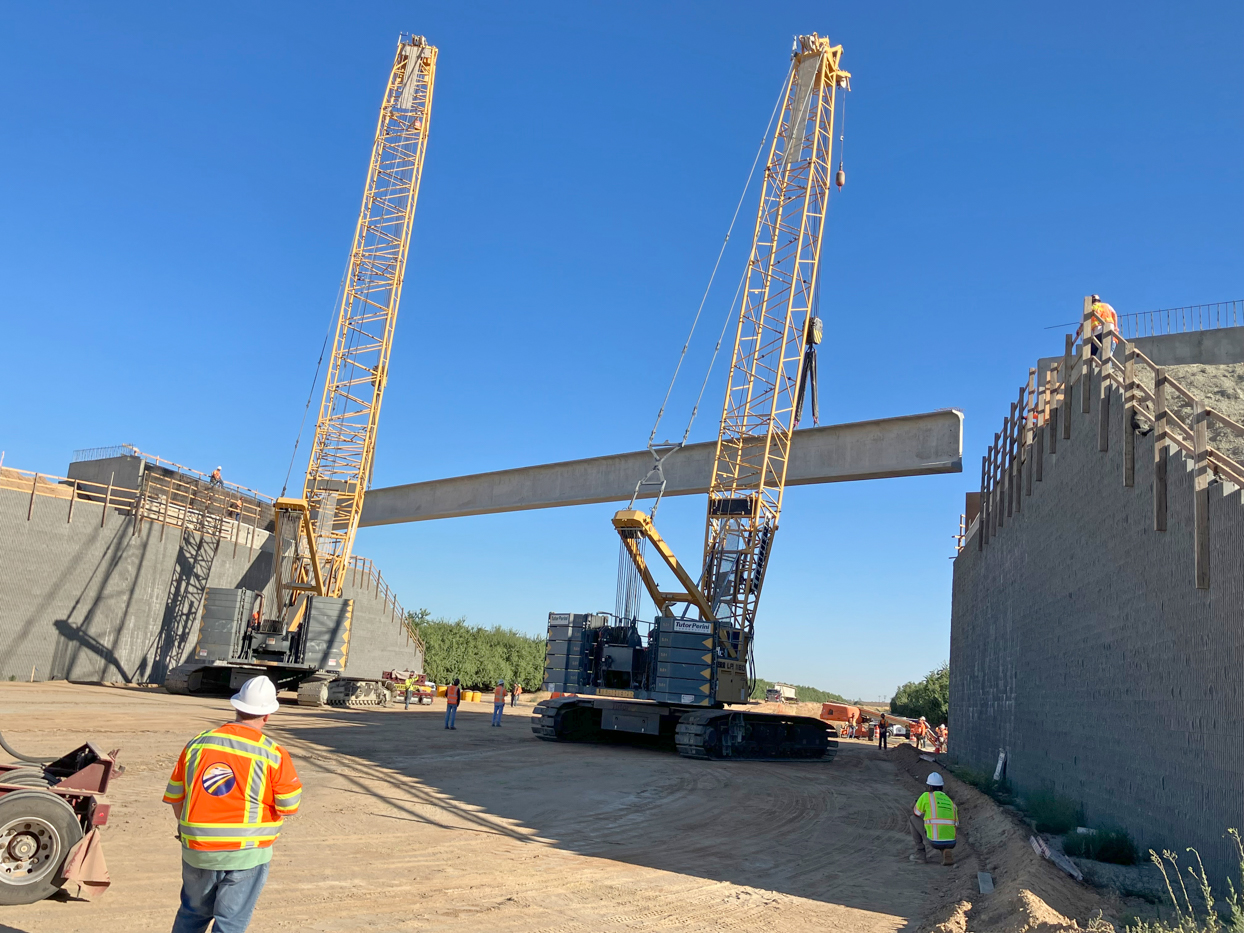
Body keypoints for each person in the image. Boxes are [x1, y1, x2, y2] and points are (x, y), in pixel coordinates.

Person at [163, 675, 301, 933]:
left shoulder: (198, 743)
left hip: (197, 850)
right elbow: (289, 806)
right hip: (247, 854)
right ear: (268, 715)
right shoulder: (273, 754)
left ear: (237, 708)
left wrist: (188, 831)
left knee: (191, 915)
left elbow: (176, 797)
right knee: (230, 924)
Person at [910, 771, 959, 866]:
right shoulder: (950, 801)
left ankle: (920, 853)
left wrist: (915, 803)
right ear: (942, 787)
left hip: (934, 842)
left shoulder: (926, 796)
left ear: (930, 787)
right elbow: (956, 824)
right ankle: (945, 850)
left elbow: (916, 812)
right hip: (951, 842)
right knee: (942, 828)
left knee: (913, 819)